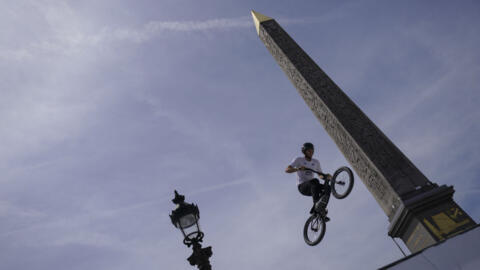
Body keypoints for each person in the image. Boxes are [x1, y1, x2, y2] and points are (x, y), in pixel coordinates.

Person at [285, 142, 332, 218]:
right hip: (302, 187)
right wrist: (298, 168)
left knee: (328, 187)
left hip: (313, 187)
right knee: (315, 181)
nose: (311, 152)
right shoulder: (299, 159)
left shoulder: (316, 162)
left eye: (312, 151)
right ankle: (316, 203)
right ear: (304, 151)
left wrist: (326, 176)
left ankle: (321, 210)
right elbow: (287, 169)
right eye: (309, 151)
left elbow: (320, 175)